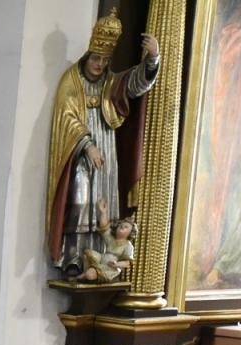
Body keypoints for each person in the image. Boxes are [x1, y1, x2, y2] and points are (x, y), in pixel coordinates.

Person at [46, 10, 160, 275]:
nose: (99, 64)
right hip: (79, 153)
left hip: (107, 149)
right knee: (80, 200)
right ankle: (73, 256)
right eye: (96, 58)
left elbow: (135, 83)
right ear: (88, 56)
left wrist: (153, 58)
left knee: (102, 206)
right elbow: (67, 117)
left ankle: (97, 259)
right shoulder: (71, 81)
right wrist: (87, 145)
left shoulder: (111, 82)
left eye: (105, 60)